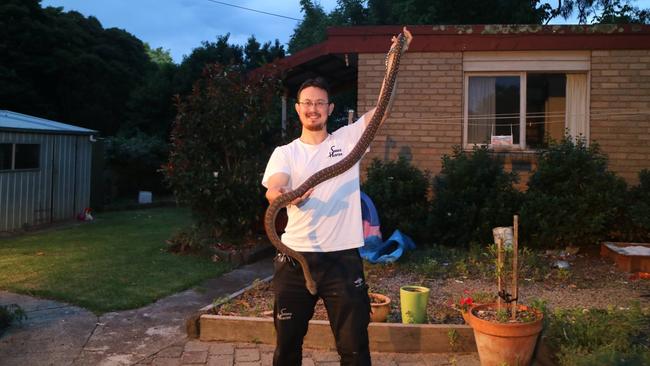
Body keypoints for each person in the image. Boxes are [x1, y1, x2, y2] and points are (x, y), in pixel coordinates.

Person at [261, 27, 412, 366]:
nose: (313, 109)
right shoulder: (285, 153)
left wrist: (395, 61)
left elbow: (382, 109)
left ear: (329, 108)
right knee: (286, 349)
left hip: (343, 262)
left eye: (319, 103)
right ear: (298, 109)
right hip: (294, 261)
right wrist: (284, 195)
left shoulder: (348, 140)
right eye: (307, 103)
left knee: (354, 349)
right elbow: (274, 186)